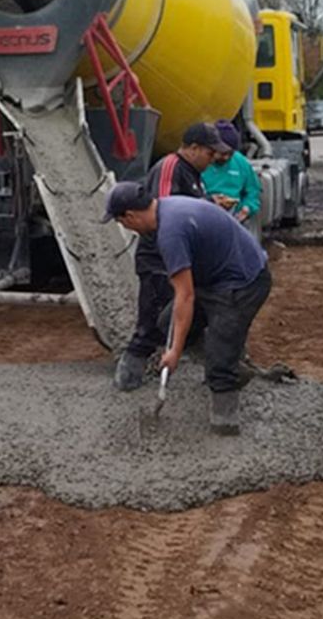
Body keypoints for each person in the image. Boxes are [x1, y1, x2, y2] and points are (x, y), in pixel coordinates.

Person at [103, 182, 273, 435]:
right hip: (213, 277)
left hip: (242, 282)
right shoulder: (166, 209)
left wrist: (174, 352)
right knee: (165, 324)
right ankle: (228, 363)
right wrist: (175, 343)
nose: (126, 228)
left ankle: (225, 427)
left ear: (130, 216)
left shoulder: (171, 233)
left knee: (219, 360)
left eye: (122, 222)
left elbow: (185, 295)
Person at [113, 122, 230, 391]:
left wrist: (210, 204)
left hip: (177, 256)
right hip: (159, 258)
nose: (213, 160)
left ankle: (216, 367)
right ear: (193, 148)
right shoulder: (171, 167)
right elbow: (165, 213)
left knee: (189, 316)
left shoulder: (191, 173)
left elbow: (187, 209)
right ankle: (129, 375)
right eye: (210, 154)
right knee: (153, 320)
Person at [202, 120, 261, 228]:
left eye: (230, 153)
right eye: (222, 153)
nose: (226, 157)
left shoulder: (240, 162)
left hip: (234, 218)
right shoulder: (201, 163)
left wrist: (247, 207)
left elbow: (253, 191)